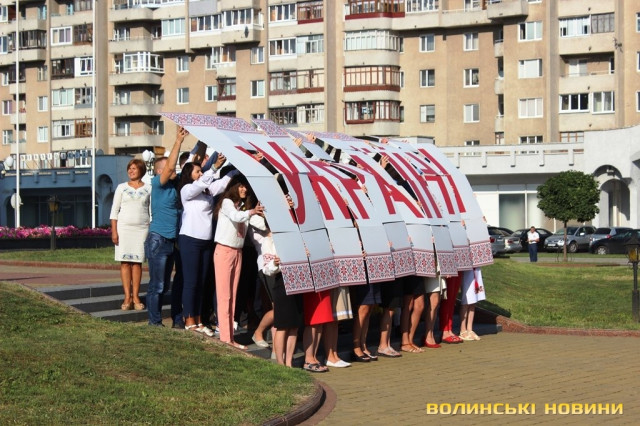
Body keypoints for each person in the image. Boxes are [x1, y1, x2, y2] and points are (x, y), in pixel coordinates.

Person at [178, 162, 233, 337]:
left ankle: (198, 319)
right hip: (190, 239)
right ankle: (189, 320)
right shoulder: (187, 190)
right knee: (191, 282)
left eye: (202, 171)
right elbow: (199, 184)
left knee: (201, 282)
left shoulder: (207, 191)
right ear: (189, 174)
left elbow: (223, 183)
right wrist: (214, 168)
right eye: (197, 171)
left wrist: (239, 166)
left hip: (206, 241)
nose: (201, 174)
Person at [213, 175, 265, 350]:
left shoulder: (243, 207)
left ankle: (230, 337)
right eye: (241, 186)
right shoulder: (227, 202)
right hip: (224, 251)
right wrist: (251, 212)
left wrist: (266, 213)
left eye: (246, 187)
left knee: (233, 296)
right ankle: (225, 338)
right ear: (234, 187)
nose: (244, 190)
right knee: (224, 296)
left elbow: (259, 223)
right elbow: (236, 216)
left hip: (238, 252)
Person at [143, 126, 188, 326]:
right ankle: (154, 322)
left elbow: (193, 165)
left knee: (165, 285)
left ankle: (161, 321)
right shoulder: (157, 183)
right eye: (169, 168)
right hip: (158, 240)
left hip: (171, 241)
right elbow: (170, 167)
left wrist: (203, 142)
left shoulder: (175, 185)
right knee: (158, 285)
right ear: (160, 171)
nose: (174, 170)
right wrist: (178, 141)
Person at [110, 158, 151, 311]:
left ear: (141, 170)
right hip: (124, 229)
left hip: (141, 230)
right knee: (125, 262)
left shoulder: (149, 188)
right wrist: (114, 231)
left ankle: (136, 296)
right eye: (129, 168)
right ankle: (127, 297)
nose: (131, 171)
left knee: (137, 262)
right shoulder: (121, 188)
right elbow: (114, 211)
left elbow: (151, 212)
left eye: (134, 168)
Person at [459, 268, 486, 341]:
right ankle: (463, 330)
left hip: (476, 269)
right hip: (467, 270)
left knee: (474, 300)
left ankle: (470, 329)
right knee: (466, 300)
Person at [439, 272, 463, 344]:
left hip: (458, 267)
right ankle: (445, 330)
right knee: (448, 298)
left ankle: (449, 329)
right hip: (449, 267)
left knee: (452, 299)